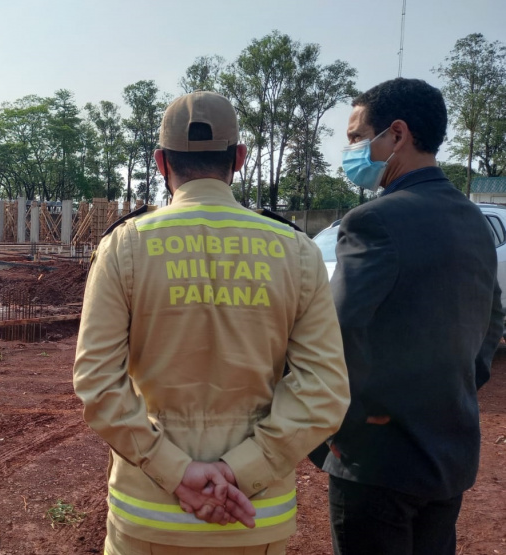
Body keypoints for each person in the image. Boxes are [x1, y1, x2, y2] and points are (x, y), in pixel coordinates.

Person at [73, 91, 350, 554]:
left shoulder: (126, 246)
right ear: (239, 158)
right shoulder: (295, 250)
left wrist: (176, 471)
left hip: (149, 516)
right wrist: (242, 469)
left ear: (161, 161)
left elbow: (98, 383)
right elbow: (324, 388)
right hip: (253, 514)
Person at [324, 78, 505, 555]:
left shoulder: (373, 221)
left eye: (357, 137)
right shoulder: (475, 222)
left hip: (379, 461)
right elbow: (492, 326)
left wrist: (337, 433)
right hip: (451, 455)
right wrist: (456, 391)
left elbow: (338, 336)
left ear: (397, 134)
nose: (351, 150)